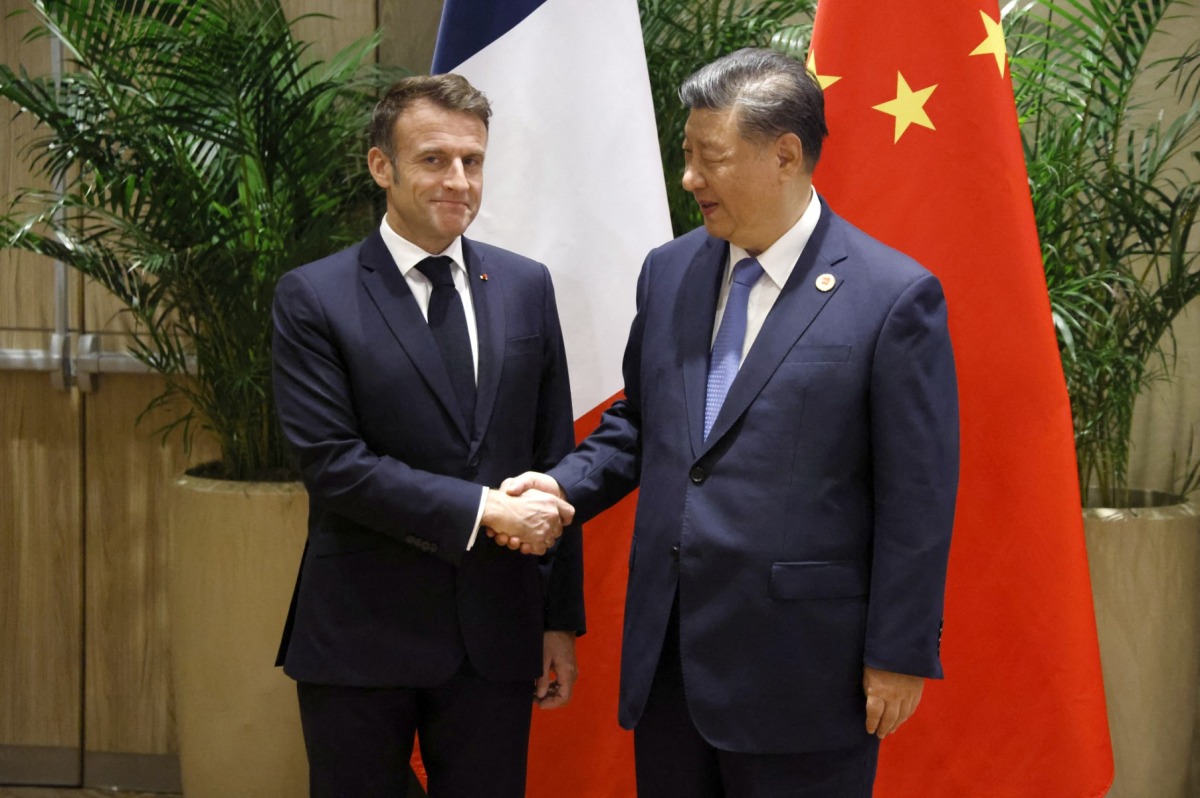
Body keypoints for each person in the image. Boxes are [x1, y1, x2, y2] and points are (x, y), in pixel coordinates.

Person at [497, 48, 959, 797]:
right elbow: (643, 426)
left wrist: (900, 651)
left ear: (785, 155)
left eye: (709, 158)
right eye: (686, 155)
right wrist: (557, 488)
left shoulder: (893, 297)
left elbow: (918, 496)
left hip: (806, 673)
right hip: (672, 656)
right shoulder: (671, 270)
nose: (689, 180)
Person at [271, 74, 584, 798]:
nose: (459, 180)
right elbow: (334, 464)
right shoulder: (314, 296)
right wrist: (485, 510)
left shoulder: (525, 285)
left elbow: (552, 456)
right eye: (434, 159)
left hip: (496, 638)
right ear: (381, 166)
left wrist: (557, 620)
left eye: (472, 161)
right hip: (360, 637)